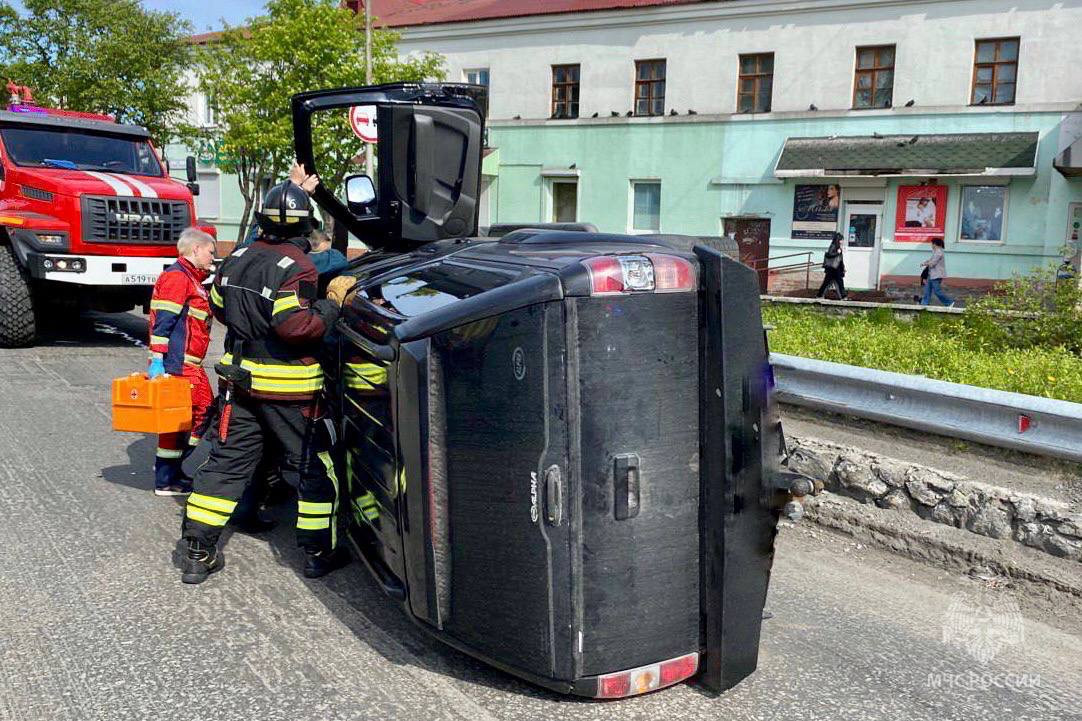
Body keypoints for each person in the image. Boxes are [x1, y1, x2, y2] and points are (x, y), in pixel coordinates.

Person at [177, 173, 358, 584]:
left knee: (225, 466)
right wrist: (332, 304)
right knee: (315, 465)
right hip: (289, 391)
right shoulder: (299, 267)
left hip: (239, 385)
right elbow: (295, 327)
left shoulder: (236, 256)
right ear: (306, 227)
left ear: (262, 221)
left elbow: (220, 308)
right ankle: (318, 553)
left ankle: (196, 552)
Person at [147, 228, 217, 496]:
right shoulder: (178, 278)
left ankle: (171, 473)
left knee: (182, 419)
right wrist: (158, 361)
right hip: (179, 365)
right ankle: (166, 474)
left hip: (186, 363)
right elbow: (163, 323)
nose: (212, 258)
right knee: (199, 412)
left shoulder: (191, 278)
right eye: (210, 252)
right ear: (196, 249)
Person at [920, 237, 955, 307]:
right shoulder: (936, 252)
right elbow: (930, 260)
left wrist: (925, 264)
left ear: (935, 244)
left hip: (936, 275)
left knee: (937, 291)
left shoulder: (939, 252)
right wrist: (925, 262)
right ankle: (924, 303)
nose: (931, 245)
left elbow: (932, 263)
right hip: (931, 275)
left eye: (932, 244)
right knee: (927, 290)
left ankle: (949, 302)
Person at [816, 232, 847, 300]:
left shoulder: (839, 247)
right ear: (838, 240)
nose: (842, 241)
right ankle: (819, 295)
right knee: (828, 283)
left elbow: (840, 259)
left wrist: (843, 267)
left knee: (839, 283)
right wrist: (837, 253)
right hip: (832, 269)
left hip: (836, 269)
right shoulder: (833, 246)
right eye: (841, 240)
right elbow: (829, 254)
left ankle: (843, 296)